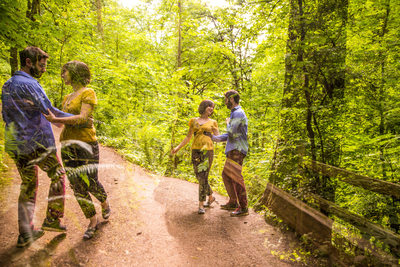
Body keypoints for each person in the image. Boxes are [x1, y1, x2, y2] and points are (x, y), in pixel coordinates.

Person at [2, 46, 70, 248]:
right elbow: (50, 111)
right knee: (58, 174)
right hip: (36, 142)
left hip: (15, 142)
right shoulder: (30, 85)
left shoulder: (7, 84)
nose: (44, 68)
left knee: (28, 184)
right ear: (29, 62)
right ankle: (53, 219)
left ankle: (25, 233)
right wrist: (78, 120)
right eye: (42, 64)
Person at [43, 60, 110, 239]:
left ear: (74, 73)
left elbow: (82, 118)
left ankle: (104, 202)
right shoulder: (67, 97)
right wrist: (47, 116)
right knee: (76, 185)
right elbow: (62, 122)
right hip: (67, 145)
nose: (62, 75)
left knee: (91, 181)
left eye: (64, 72)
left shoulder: (88, 92)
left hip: (86, 144)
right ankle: (92, 220)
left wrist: (60, 119)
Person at [205, 90, 249, 217]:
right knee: (226, 175)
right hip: (233, 148)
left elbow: (231, 133)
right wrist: (213, 137)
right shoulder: (235, 113)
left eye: (226, 99)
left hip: (237, 149)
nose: (225, 102)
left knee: (235, 176)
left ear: (231, 99)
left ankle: (244, 207)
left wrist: (228, 122)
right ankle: (234, 202)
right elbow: (230, 135)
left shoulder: (238, 113)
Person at [172, 100, 219, 214]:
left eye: (212, 107)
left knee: (203, 176)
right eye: (209, 106)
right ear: (203, 107)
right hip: (196, 151)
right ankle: (211, 196)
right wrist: (178, 148)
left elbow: (217, 137)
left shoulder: (213, 122)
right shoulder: (193, 121)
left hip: (207, 151)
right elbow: (188, 137)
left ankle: (201, 205)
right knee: (199, 176)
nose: (211, 109)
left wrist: (215, 132)